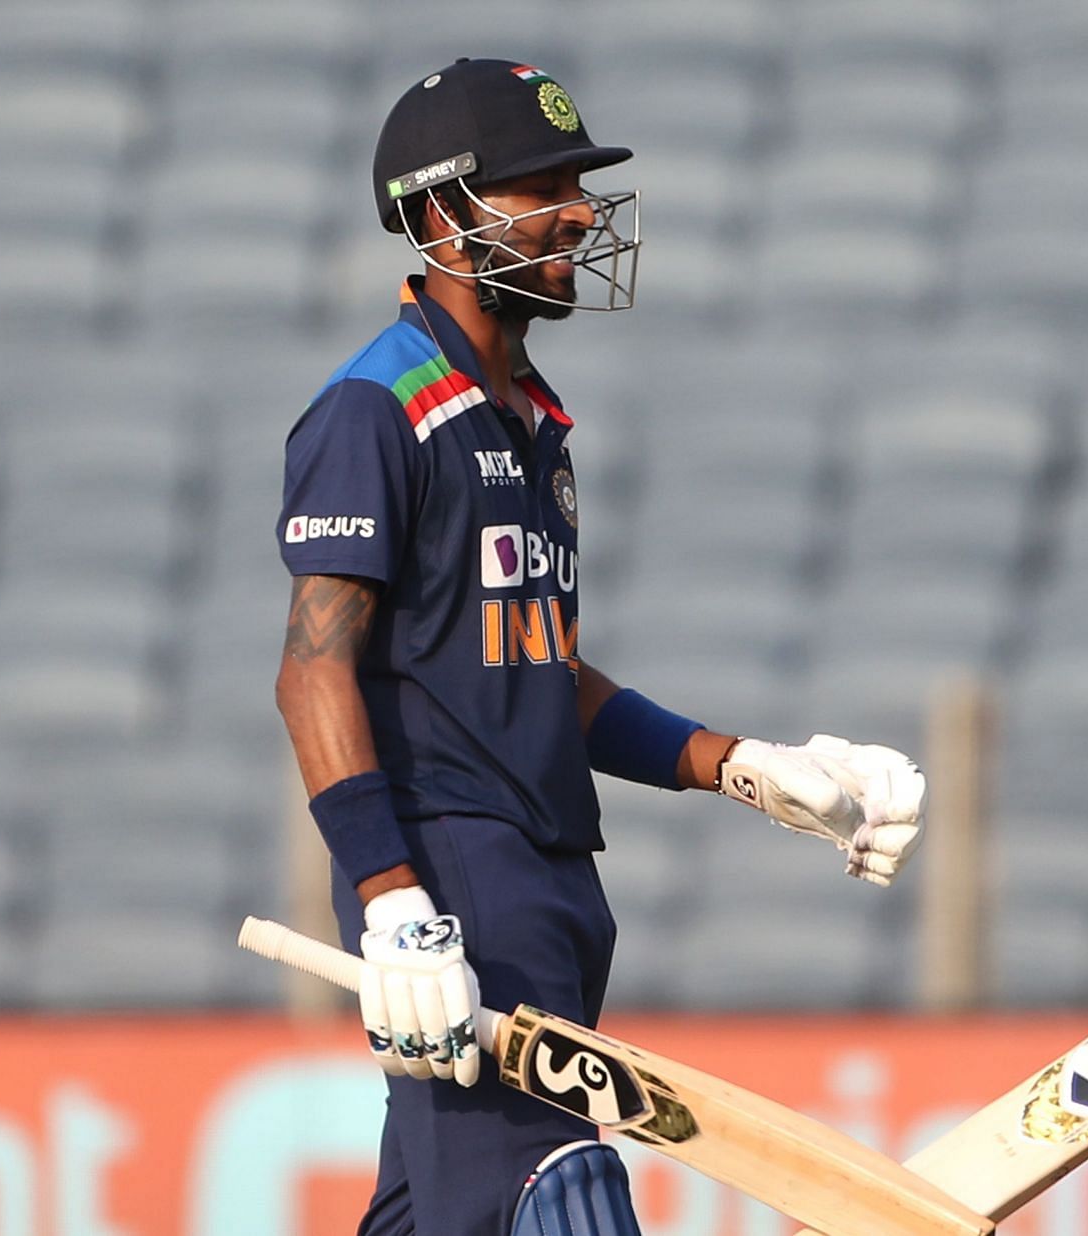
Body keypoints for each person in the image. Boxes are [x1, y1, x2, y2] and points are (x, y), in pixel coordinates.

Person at [274, 59, 926, 1236]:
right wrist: (389, 899)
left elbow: (541, 674)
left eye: (575, 183)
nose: (578, 210)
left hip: (555, 877)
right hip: (458, 880)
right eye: (540, 186)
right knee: (564, 1190)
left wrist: (741, 766)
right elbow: (312, 667)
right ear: (440, 217)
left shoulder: (533, 421)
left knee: (433, 1216)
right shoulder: (376, 407)